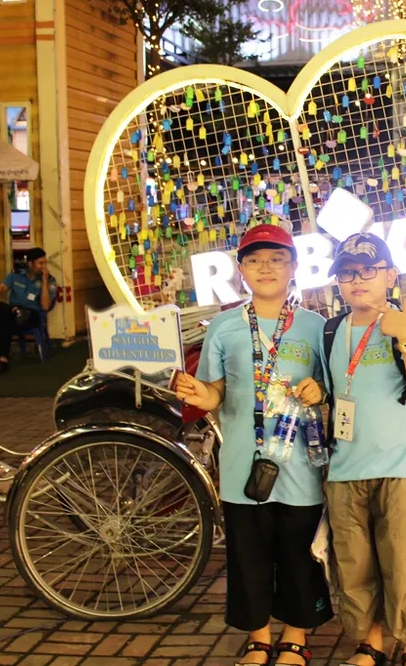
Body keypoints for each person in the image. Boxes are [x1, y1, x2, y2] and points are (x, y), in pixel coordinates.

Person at [175, 224, 333, 666]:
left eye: (277, 259)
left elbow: (329, 385)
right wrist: (198, 393)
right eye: (255, 260)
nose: (266, 268)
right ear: (241, 270)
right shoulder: (224, 326)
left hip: (300, 464)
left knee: (299, 553)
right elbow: (214, 393)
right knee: (249, 555)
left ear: (294, 267)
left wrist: (318, 390)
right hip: (243, 463)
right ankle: (259, 638)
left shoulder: (315, 326)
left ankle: (295, 637)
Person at [321, 232, 406, 666]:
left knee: (404, 565)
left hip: (402, 467)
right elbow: (330, 389)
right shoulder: (331, 331)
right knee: (354, 567)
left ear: (390, 276)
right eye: (347, 273)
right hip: (345, 469)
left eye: (369, 270)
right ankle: (370, 643)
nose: (358, 280)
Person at [0, 247, 57, 376]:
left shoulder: (49, 280)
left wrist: (45, 281)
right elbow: (1, 289)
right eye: (40, 263)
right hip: (13, 314)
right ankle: (2, 360)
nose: (44, 266)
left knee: (4, 320)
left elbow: (45, 306)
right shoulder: (16, 275)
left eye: (44, 263)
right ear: (30, 264)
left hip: (32, 315)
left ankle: (2, 360)